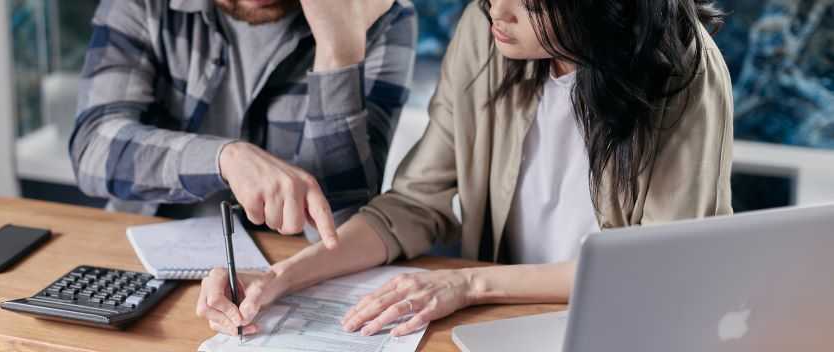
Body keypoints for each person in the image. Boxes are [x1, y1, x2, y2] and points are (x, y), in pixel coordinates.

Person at [197, 0, 734, 338]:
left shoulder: (684, 66)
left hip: (626, 329)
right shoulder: (486, 35)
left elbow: (656, 265)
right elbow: (412, 204)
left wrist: (469, 284)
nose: (496, 10)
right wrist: (281, 278)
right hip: (504, 325)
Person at [69, 0, 417, 247]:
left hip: (291, 270)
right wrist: (224, 159)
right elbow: (93, 149)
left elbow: (340, 227)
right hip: (143, 242)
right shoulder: (144, 5)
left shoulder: (382, 14)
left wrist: (337, 53)